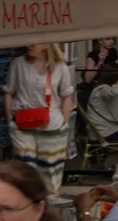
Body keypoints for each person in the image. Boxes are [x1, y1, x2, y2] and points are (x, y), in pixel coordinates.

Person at [6, 42, 77, 189]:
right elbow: (8, 92)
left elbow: (67, 96)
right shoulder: (18, 63)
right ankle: (26, 202)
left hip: (52, 125)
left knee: (50, 171)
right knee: (25, 169)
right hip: (22, 124)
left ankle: (48, 204)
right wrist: (9, 120)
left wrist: (65, 122)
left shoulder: (60, 67)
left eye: (34, 42)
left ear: (46, 44)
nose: (29, 45)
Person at [85, 68, 118, 143]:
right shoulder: (103, 89)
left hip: (106, 129)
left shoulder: (102, 89)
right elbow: (115, 92)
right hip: (105, 132)